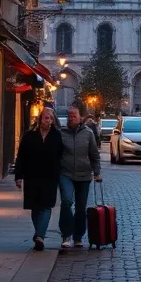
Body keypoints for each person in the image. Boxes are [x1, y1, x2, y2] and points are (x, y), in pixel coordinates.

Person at [14, 107, 63, 251]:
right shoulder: (29, 136)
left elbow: (61, 155)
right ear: (40, 119)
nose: (48, 120)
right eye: (46, 117)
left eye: (50, 118)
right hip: (32, 176)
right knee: (35, 207)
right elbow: (21, 157)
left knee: (47, 206)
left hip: (50, 177)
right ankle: (39, 234)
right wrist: (19, 176)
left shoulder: (57, 136)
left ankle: (40, 235)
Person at [58, 106, 101, 249]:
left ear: (80, 117)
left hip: (84, 175)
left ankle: (78, 236)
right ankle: (66, 234)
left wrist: (97, 172)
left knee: (81, 208)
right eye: (69, 116)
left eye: (74, 116)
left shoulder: (88, 133)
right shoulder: (61, 133)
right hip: (66, 173)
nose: (71, 118)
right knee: (66, 201)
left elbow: (94, 154)